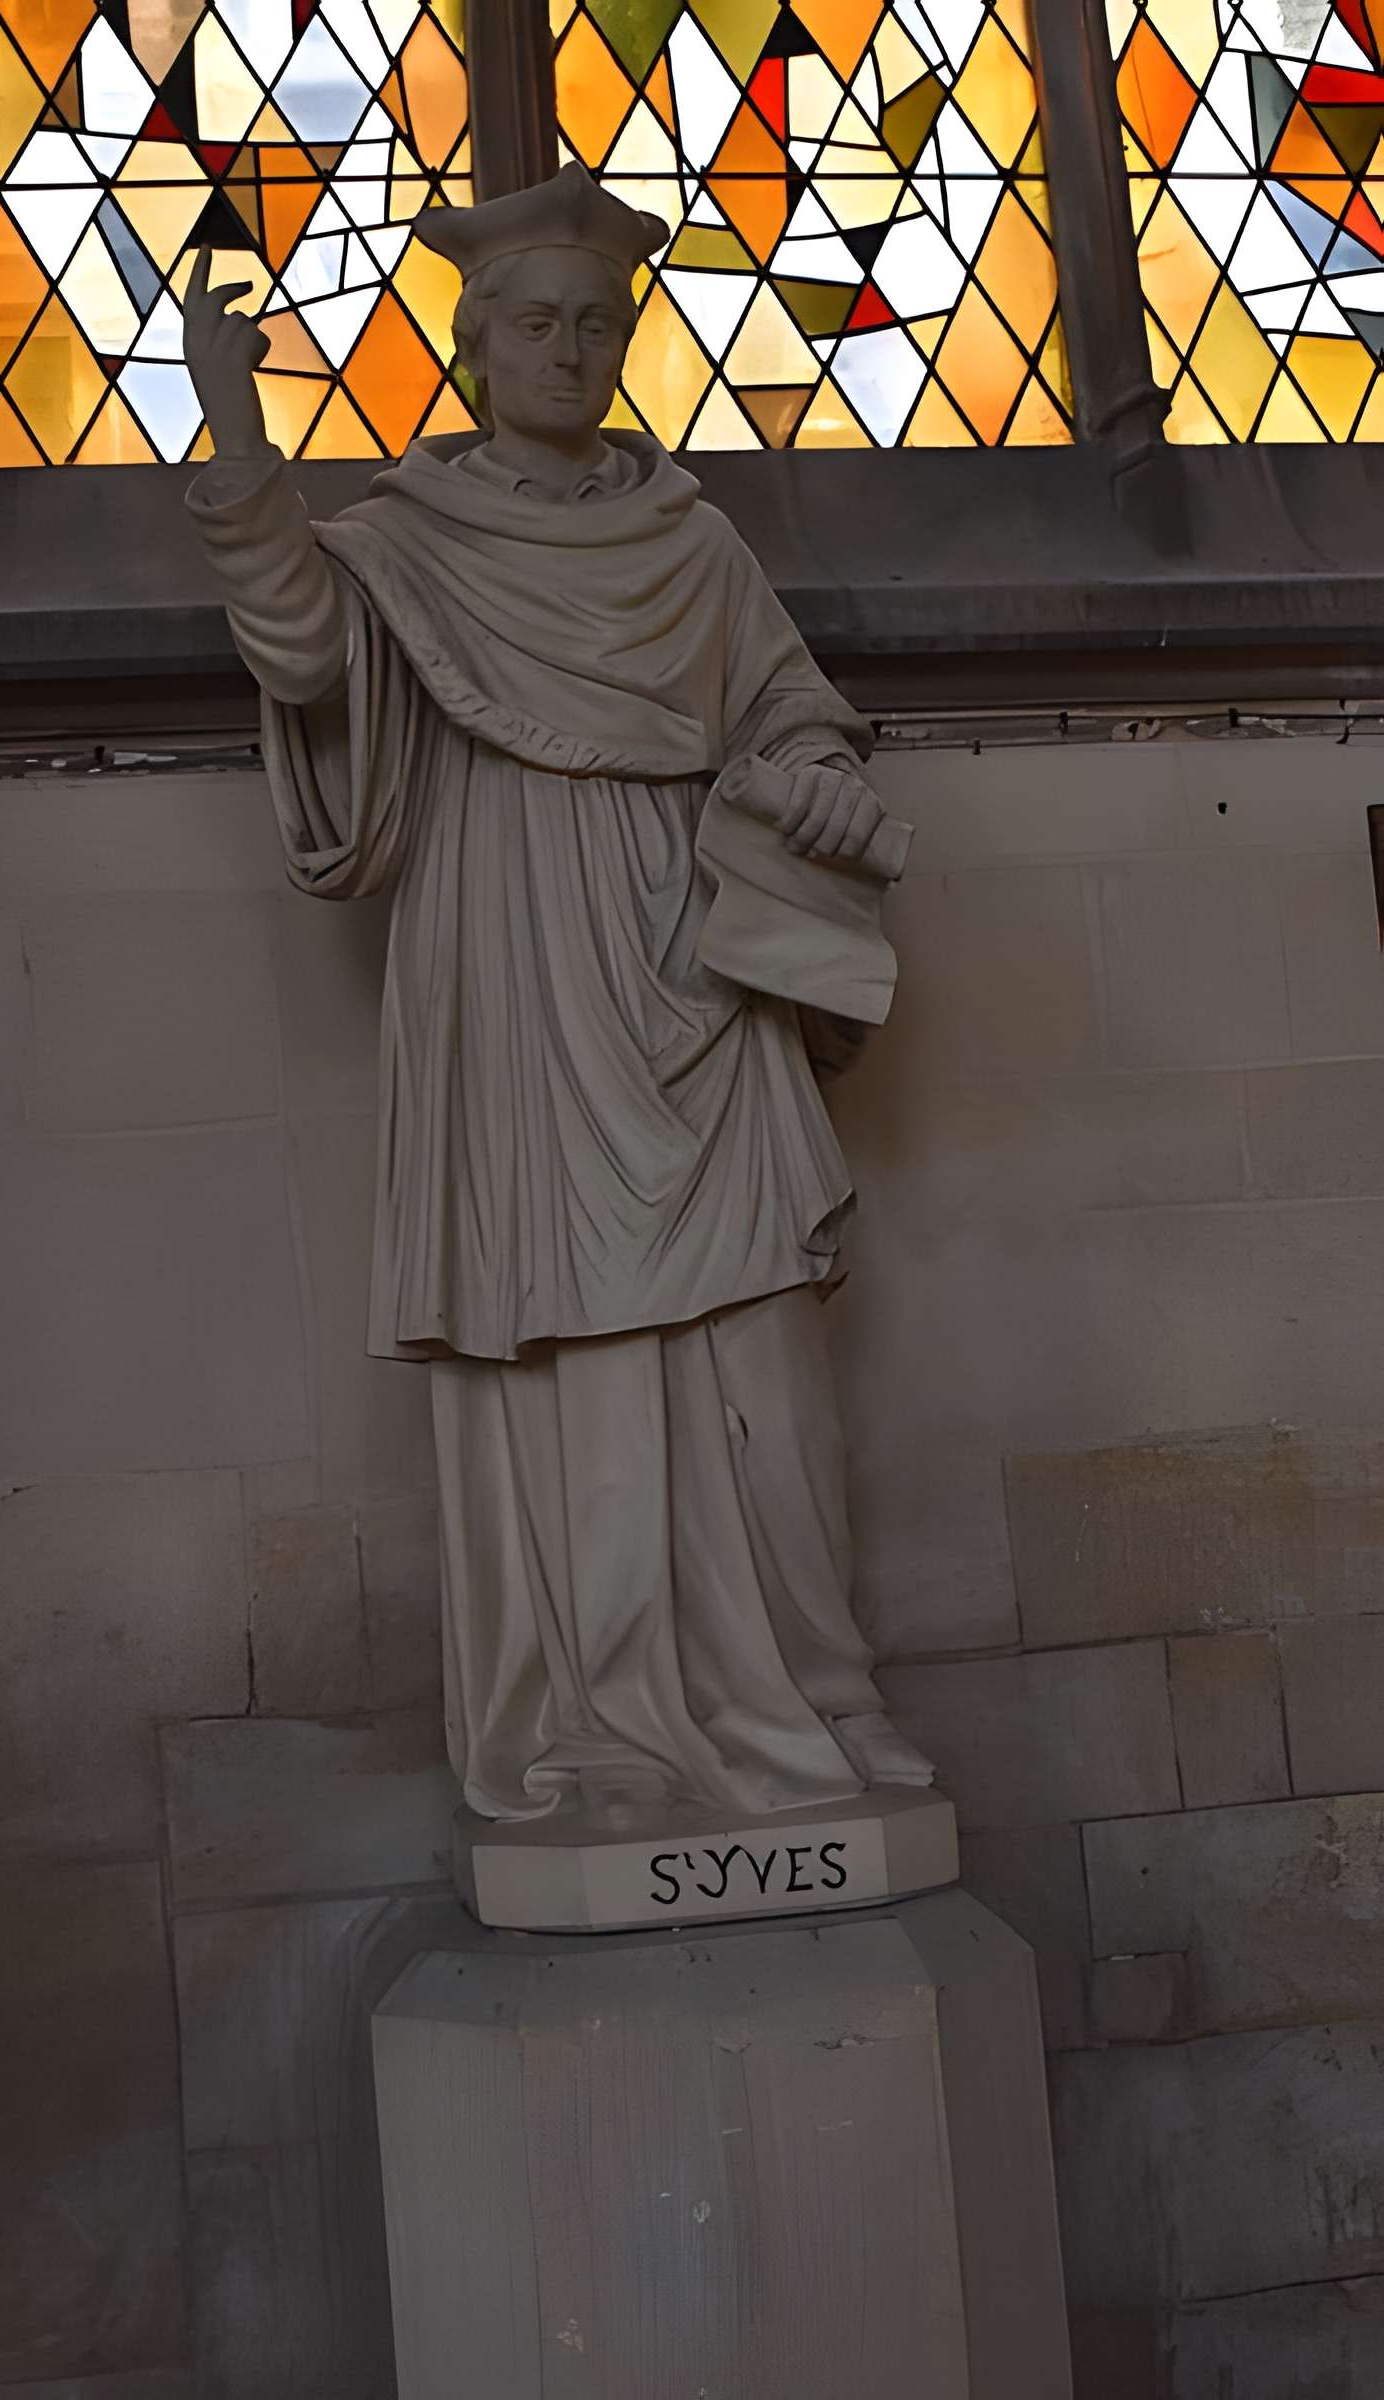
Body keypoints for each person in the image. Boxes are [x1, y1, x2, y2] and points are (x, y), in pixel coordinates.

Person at [183, 162, 932, 1821]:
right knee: (562, 1358)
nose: (572, 349)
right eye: (537, 322)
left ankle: (814, 1702)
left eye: (600, 324)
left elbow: (797, 714)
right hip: (515, 966)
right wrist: (233, 432)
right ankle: (598, 1733)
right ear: (476, 345)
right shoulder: (402, 543)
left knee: (761, 1362)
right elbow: (304, 654)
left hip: (696, 967)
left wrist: (808, 775)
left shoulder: (696, 542)